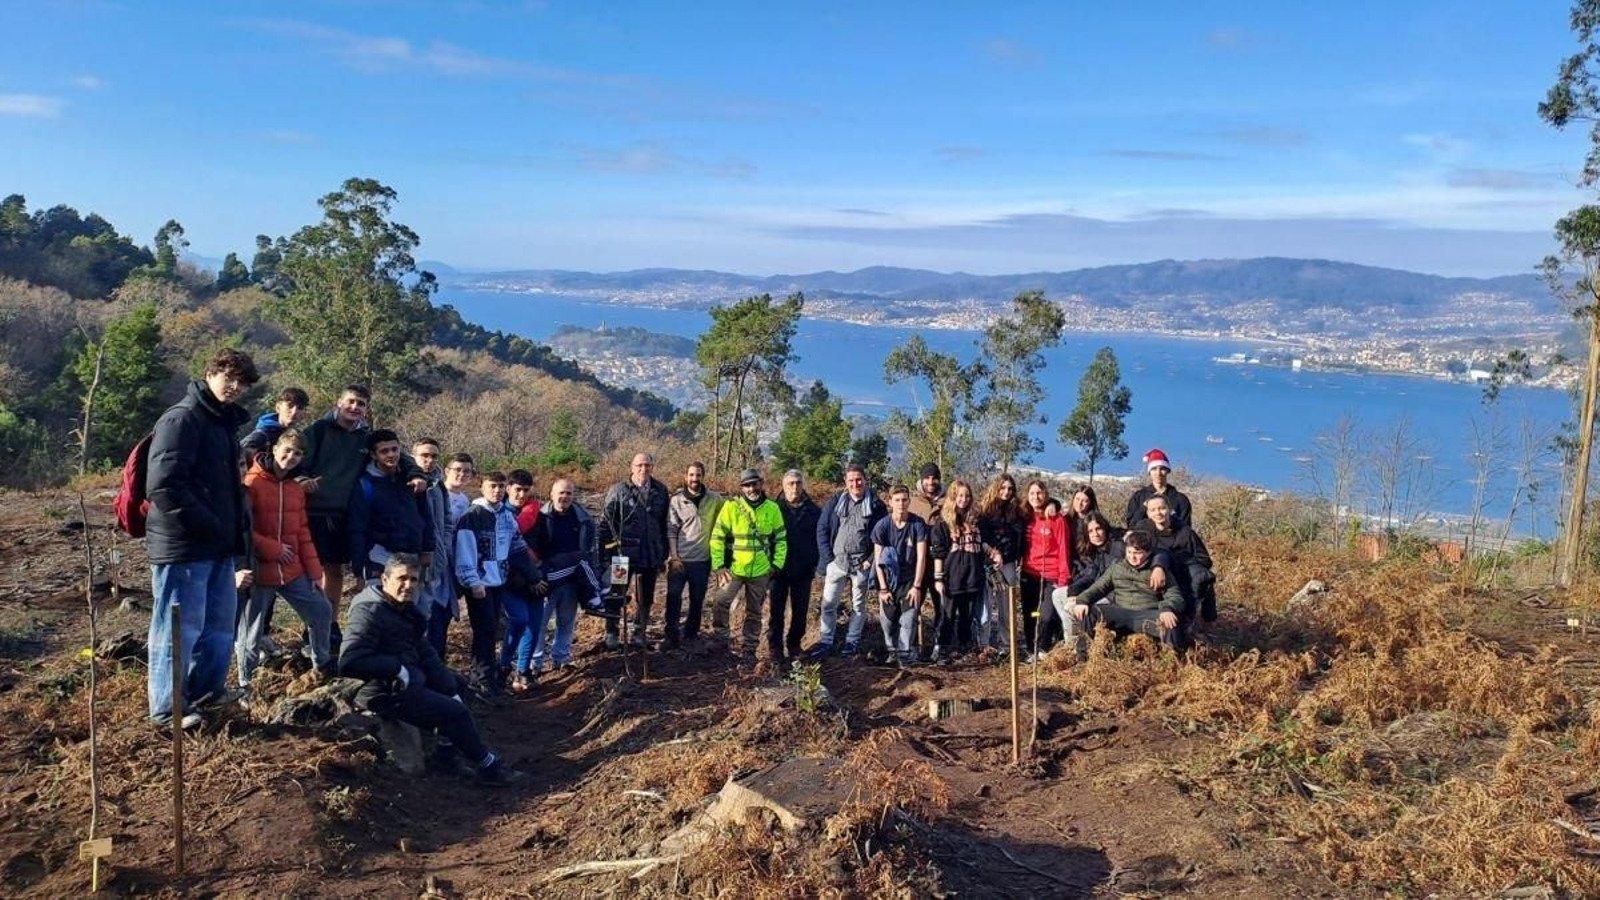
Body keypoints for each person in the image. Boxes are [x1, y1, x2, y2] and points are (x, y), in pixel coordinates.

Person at [145, 348, 260, 728]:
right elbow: (164, 487)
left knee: (218, 627)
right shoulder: (182, 419)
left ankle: (207, 693)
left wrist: (233, 530)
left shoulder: (222, 423)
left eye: (242, 382)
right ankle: (168, 709)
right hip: (184, 546)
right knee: (178, 628)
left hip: (218, 546)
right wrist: (210, 524)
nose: (235, 387)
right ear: (210, 371)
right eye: (229, 377)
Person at [339, 554, 525, 783]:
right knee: (455, 713)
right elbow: (349, 661)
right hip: (384, 692)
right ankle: (489, 766)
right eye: (402, 578)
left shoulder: (405, 609)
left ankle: (446, 753)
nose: (408, 585)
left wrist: (449, 689)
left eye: (414, 580)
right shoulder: (369, 612)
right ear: (384, 579)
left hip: (409, 681)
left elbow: (425, 652)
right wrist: (396, 669)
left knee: (458, 686)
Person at [237, 430, 334, 690]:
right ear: (275, 448)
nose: (291, 457)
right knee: (251, 632)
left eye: (298, 453)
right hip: (259, 570)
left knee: (321, 610)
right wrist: (270, 548)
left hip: (292, 570)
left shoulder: (295, 488)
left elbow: (302, 530)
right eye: (287, 450)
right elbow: (242, 528)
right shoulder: (252, 481)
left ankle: (321, 666)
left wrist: (314, 571)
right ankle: (245, 684)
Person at [455, 471, 545, 696]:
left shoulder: (506, 516)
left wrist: (533, 575)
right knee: (484, 631)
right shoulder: (472, 516)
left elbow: (517, 547)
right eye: (492, 486)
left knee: (492, 630)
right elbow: (464, 551)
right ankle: (480, 681)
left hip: (499, 581)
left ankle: (490, 679)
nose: (497, 491)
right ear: (482, 487)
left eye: (501, 486)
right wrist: (472, 581)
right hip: (480, 584)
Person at [1066, 529, 1187, 659]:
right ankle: (1082, 660)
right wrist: (1082, 601)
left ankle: (1174, 664)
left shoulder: (1159, 571)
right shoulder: (1117, 567)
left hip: (1146, 614)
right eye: (1129, 552)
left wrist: (1167, 609)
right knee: (1090, 613)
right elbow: (1098, 588)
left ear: (1148, 553)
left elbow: (1175, 595)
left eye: (1137, 553)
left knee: (1172, 623)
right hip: (1121, 612)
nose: (1132, 557)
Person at [709, 468, 788, 664]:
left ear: (761, 484)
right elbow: (717, 537)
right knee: (721, 602)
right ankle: (721, 645)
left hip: (761, 571)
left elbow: (781, 539)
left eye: (754, 484)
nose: (751, 488)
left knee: (754, 612)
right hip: (734, 569)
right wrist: (719, 566)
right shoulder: (731, 507)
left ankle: (749, 651)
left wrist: (776, 565)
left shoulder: (772, 508)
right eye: (747, 485)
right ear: (742, 487)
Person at [529, 478, 606, 675]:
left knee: (566, 621)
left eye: (569, 493)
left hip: (570, 581)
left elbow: (590, 551)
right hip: (546, 578)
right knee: (539, 623)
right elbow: (531, 547)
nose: (565, 497)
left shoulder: (583, 520)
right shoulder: (540, 517)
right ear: (552, 494)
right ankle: (534, 664)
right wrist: (535, 574)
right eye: (561, 493)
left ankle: (561, 659)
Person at [811, 463, 887, 658]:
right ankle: (826, 641)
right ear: (846, 482)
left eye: (859, 479)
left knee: (859, 606)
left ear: (865, 480)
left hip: (861, 564)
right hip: (837, 563)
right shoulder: (835, 501)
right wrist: (828, 559)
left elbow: (882, 536)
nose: (855, 484)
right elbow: (822, 529)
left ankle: (851, 642)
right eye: (851, 480)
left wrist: (870, 559)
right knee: (828, 604)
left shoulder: (877, 505)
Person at [598, 452, 669, 648]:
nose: (643, 469)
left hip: (650, 555)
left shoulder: (660, 490)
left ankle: (639, 632)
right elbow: (605, 524)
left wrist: (663, 552)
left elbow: (664, 524)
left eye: (647, 465)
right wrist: (605, 555)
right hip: (621, 557)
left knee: (646, 597)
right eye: (639, 465)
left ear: (652, 467)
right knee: (615, 594)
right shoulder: (618, 490)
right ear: (632, 467)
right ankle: (611, 633)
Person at [347, 430, 434, 584]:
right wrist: (358, 569)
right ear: (374, 455)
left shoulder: (413, 480)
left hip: (412, 556)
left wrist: (427, 549)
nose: (391, 455)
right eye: (384, 451)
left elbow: (425, 515)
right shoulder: (365, 485)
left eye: (394, 449)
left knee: (409, 605)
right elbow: (357, 528)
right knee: (380, 605)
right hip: (379, 558)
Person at [665, 461, 722, 649]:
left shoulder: (714, 499)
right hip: (680, 560)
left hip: (702, 560)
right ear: (685, 476)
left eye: (698, 475)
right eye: (691, 475)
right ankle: (671, 635)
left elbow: (725, 522)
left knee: (697, 600)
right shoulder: (676, 500)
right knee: (673, 597)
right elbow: (671, 530)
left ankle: (691, 634)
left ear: (703, 476)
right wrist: (674, 557)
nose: (694, 479)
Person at [424, 453, 476, 657]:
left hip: (454, 565)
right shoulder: (434, 492)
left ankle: (438, 660)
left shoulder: (465, 500)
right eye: (458, 470)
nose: (462, 474)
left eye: (467, 471)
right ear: (447, 471)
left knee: (444, 615)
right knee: (432, 614)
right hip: (434, 563)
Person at [872, 484, 929, 667]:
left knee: (908, 619)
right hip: (888, 581)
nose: (901, 503)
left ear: (909, 501)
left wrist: (917, 586)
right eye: (897, 500)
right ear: (890, 502)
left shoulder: (917, 524)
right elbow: (877, 559)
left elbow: (921, 557)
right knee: (887, 621)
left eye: (904, 500)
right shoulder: (882, 526)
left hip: (910, 580)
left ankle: (904, 657)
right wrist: (882, 588)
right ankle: (891, 652)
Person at [1138, 495, 1217, 623]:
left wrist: (1182, 563)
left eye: (1162, 508)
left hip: (1184, 571)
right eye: (1153, 510)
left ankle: (1192, 619)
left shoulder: (1185, 532)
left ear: (1169, 509)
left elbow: (1204, 559)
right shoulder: (1143, 529)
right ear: (1148, 513)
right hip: (1155, 570)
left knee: (1202, 576)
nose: (1158, 513)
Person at [929, 479, 984, 661]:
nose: (964, 499)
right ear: (953, 497)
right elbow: (938, 552)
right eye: (960, 495)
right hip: (952, 578)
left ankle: (964, 648)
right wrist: (938, 579)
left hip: (972, 576)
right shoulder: (943, 522)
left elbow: (983, 544)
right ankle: (942, 649)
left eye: (967, 495)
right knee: (947, 616)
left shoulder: (975, 520)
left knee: (967, 617)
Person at [769, 469, 820, 661]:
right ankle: (774, 647)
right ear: (783, 485)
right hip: (778, 571)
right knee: (776, 612)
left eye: (798, 483)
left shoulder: (814, 511)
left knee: (800, 612)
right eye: (790, 483)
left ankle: (794, 644)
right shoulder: (773, 509)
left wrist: (815, 563)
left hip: (803, 571)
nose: (795, 487)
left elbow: (820, 538)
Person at [1051, 510, 1121, 642]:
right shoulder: (1096, 550)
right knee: (1058, 594)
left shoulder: (1117, 547)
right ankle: (1075, 638)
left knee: (1070, 607)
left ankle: (1077, 644)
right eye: (1091, 531)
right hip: (1098, 591)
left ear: (1105, 528)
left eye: (1098, 529)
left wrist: (1084, 598)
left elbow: (1108, 583)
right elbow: (1090, 575)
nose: (1095, 534)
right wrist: (1073, 591)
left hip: (1112, 596)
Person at [1020, 480, 1071, 659]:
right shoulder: (1024, 516)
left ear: (1046, 494)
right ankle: (1030, 648)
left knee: (1046, 615)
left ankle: (1042, 647)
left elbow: (1064, 549)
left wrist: (1063, 578)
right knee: (1030, 613)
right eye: (1032, 493)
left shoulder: (1057, 519)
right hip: (1029, 573)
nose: (1036, 497)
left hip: (1051, 575)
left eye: (1039, 493)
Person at [976, 474, 1026, 656]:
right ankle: (984, 644)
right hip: (986, 563)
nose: (1006, 492)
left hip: (1008, 564)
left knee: (1007, 607)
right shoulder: (985, 511)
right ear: (996, 488)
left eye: (1010, 489)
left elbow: (1019, 541)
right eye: (1003, 488)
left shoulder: (1017, 513)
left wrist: (1004, 556)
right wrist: (992, 553)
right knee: (985, 607)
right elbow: (981, 536)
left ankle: (1007, 645)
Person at [907, 463, 944, 660]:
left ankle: (939, 646)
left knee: (942, 608)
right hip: (917, 567)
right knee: (913, 608)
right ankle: (910, 647)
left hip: (940, 566)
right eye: (927, 478)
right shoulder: (912, 503)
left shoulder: (948, 502)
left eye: (934, 478)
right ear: (921, 480)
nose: (931, 482)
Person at [1124, 448, 1194, 531]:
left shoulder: (1181, 499)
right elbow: (1131, 526)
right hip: (1145, 541)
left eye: (1162, 468)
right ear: (1149, 472)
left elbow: (1185, 528)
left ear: (1168, 471)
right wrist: (1144, 507)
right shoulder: (1138, 497)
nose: (1158, 473)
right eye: (1154, 469)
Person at [240, 386, 308, 462]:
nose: (294, 412)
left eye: (300, 408)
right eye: (290, 406)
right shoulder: (262, 436)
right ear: (278, 407)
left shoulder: (297, 437)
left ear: (304, 413)